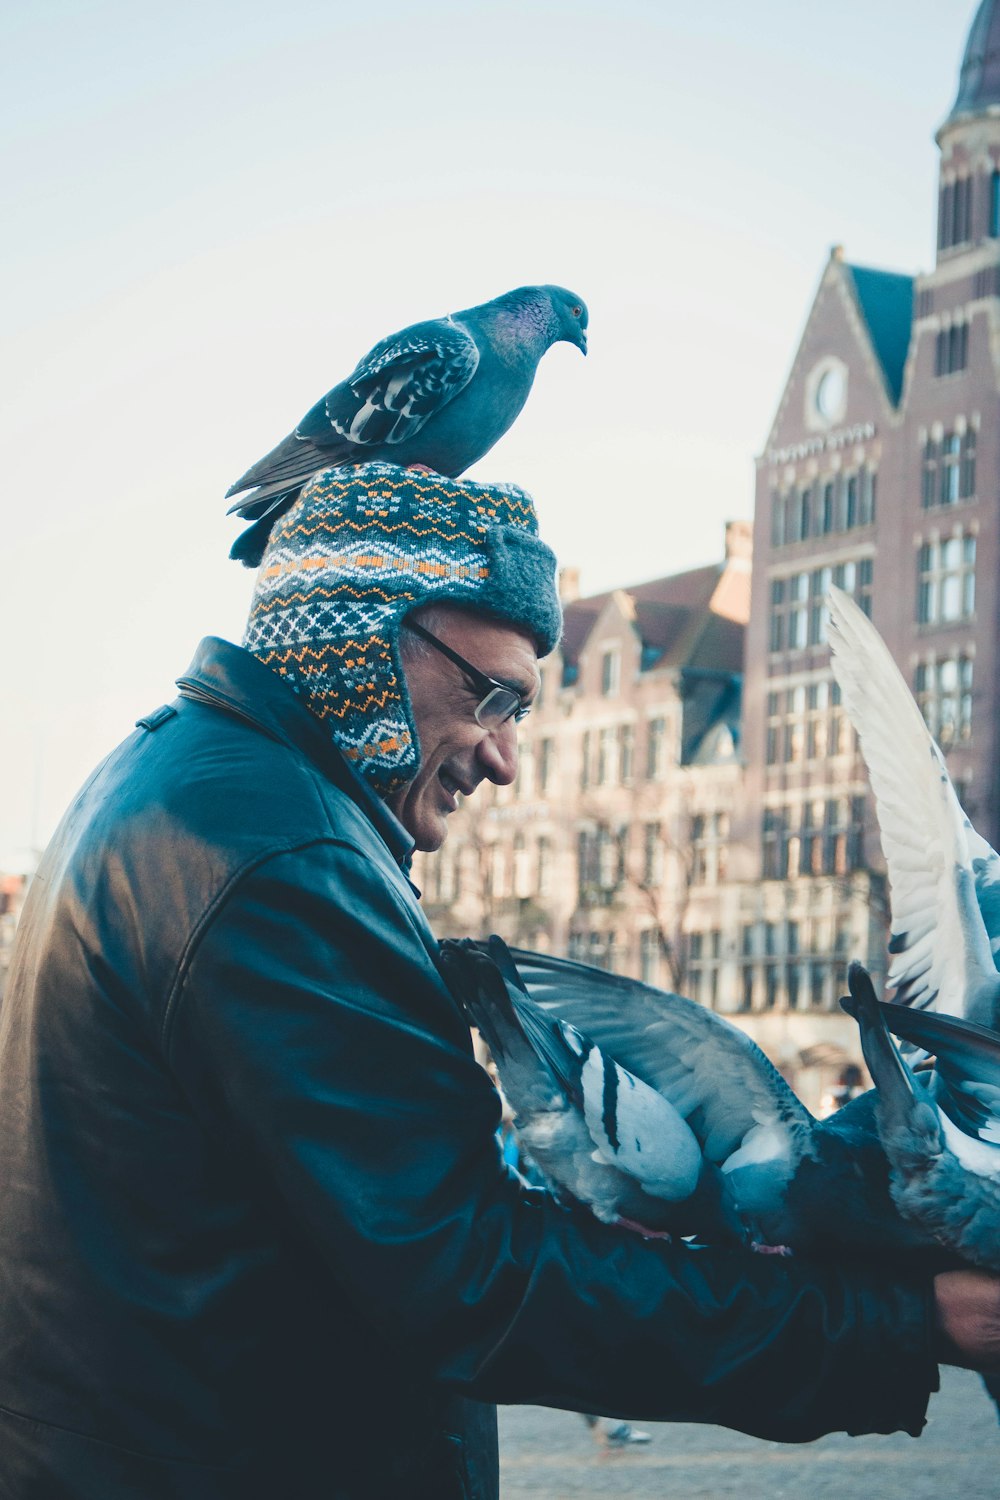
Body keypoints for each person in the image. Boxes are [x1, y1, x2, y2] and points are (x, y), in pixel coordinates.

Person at [1, 462, 998, 1500]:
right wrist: (914, 1322)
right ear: (361, 640)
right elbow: (472, 1278)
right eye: (491, 699)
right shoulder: (281, 861)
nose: (504, 759)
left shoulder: (177, 785)